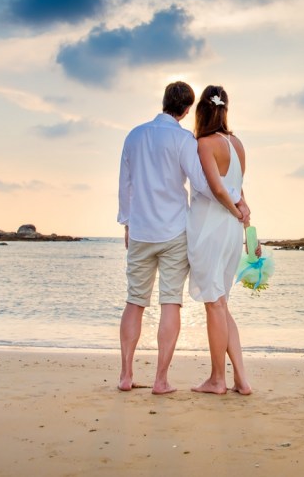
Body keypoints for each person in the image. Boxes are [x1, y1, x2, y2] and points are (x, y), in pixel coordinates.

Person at [117, 81, 249, 394]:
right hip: (176, 231)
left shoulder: (134, 136)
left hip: (142, 230)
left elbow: (126, 184)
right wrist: (238, 202)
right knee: (171, 304)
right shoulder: (185, 140)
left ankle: (125, 375)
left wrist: (126, 223)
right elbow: (205, 185)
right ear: (187, 109)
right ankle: (161, 380)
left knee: (135, 302)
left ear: (164, 102)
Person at [186, 85, 258, 395]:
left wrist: (235, 209)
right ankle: (241, 379)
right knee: (221, 304)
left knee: (214, 305)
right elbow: (237, 188)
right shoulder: (237, 143)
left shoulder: (204, 143)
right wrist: (241, 210)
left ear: (202, 110)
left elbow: (218, 190)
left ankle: (218, 379)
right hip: (230, 232)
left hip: (211, 228)